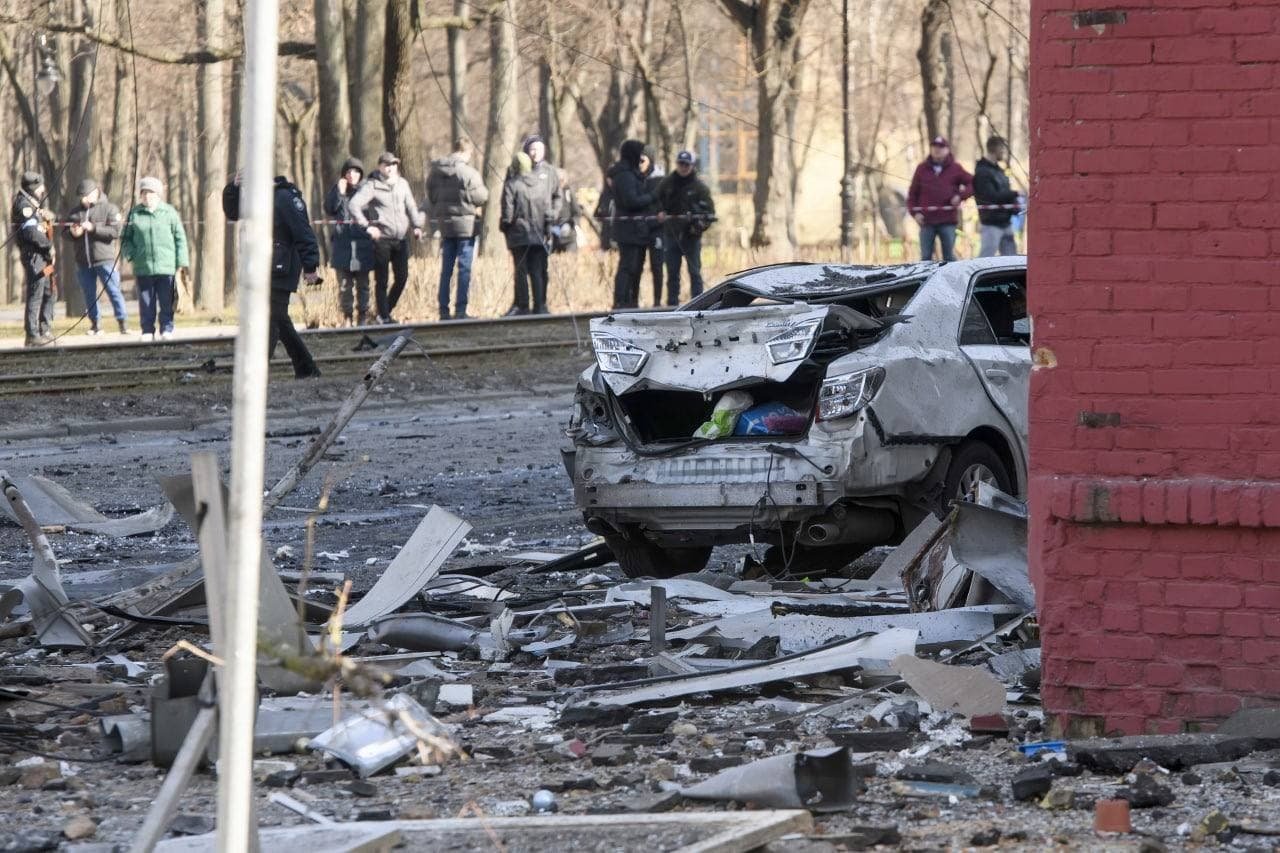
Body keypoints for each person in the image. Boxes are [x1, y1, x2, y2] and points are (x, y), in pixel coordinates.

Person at [223, 174, 322, 379]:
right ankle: (304, 368)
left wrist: (310, 265)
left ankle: (262, 370)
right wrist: (232, 187)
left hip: (282, 266)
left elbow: (303, 231)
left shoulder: (284, 198)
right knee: (274, 319)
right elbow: (233, 212)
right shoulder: (256, 198)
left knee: (275, 316)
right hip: (261, 265)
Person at [349, 151, 424, 324]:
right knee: (381, 280)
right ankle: (384, 316)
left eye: (393, 164)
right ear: (380, 167)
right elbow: (354, 205)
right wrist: (367, 227)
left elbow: (411, 206)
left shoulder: (402, 184)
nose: (390, 168)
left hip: (400, 238)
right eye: (387, 165)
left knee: (402, 277)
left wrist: (417, 225)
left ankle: (385, 311)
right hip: (382, 239)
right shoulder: (372, 185)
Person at [427, 139, 489, 320]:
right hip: (465, 226)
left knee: (446, 268)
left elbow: (431, 195)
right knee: (464, 268)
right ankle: (461, 309)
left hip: (445, 224)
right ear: (466, 152)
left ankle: (443, 310)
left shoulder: (435, 172)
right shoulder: (468, 173)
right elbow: (482, 197)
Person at [122, 176, 188, 341]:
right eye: (144, 193)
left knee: (167, 301)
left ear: (158, 195)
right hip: (143, 267)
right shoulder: (134, 214)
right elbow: (125, 239)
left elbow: (180, 238)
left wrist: (181, 262)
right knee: (146, 303)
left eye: (151, 193)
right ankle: (147, 331)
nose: (147, 197)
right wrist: (131, 255)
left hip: (166, 266)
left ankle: (167, 328)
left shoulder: (169, 212)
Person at [64, 178, 128, 335]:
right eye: (81, 197)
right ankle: (95, 324)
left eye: (86, 196)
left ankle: (122, 322)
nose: (83, 200)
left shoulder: (109, 209)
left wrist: (93, 228)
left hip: (104, 259)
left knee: (113, 290)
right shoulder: (74, 213)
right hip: (83, 261)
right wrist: (73, 233)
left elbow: (114, 232)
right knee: (89, 294)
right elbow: (64, 233)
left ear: (95, 193)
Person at [657, 150, 716, 305]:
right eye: (680, 164)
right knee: (672, 274)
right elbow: (655, 202)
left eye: (686, 164)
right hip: (671, 235)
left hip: (692, 237)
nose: (683, 167)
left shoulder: (700, 188)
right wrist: (659, 213)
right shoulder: (666, 183)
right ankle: (671, 305)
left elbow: (710, 214)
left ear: (691, 165)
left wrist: (699, 226)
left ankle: (699, 304)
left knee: (695, 273)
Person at [603, 140, 656, 309]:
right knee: (627, 267)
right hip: (629, 230)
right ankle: (621, 300)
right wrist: (651, 197)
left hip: (638, 230)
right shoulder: (624, 175)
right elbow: (631, 200)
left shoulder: (631, 173)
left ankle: (632, 300)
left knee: (637, 267)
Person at [500, 152, 553, 316]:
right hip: (538, 234)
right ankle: (540, 306)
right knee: (537, 270)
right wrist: (547, 230)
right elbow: (547, 210)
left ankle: (523, 306)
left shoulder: (511, 185)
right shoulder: (541, 184)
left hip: (519, 235)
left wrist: (504, 227)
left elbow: (507, 215)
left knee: (521, 270)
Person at [324, 157, 375, 326]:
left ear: (360, 174)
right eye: (348, 172)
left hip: (362, 244)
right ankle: (347, 316)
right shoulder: (338, 190)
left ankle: (362, 316)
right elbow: (330, 209)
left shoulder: (366, 191)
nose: (352, 175)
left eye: (355, 172)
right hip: (342, 244)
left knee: (363, 284)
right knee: (344, 285)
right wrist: (339, 192)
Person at [907, 136, 972, 262]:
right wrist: (915, 213)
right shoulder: (921, 168)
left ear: (947, 150)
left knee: (949, 256)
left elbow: (973, 183)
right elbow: (912, 194)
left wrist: (960, 196)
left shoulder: (956, 168)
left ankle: (953, 281)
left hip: (947, 220)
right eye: (934, 147)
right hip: (926, 221)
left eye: (941, 147)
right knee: (925, 257)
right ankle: (925, 281)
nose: (937, 150)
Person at [11, 172, 56, 346]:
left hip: (41, 255)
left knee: (48, 291)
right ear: (33, 187)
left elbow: (39, 226)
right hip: (34, 255)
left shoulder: (33, 204)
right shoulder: (24, 205)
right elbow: (31, 233)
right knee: (36, 293)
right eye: (41, 186)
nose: (43, 190)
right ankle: (32, 334)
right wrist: (48, 246)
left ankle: (44, 329)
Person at [973, 136, 1021, 257]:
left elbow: (1005, 192)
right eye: (1002, 149)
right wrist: (1014, 194)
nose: (1004, 153)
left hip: (1006, 222)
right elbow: (990, 196)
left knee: (1011, 261)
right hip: (991, 224)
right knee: (985, 260)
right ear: (996, 149)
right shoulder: (982, 172)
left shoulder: (999, 171)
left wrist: (1014, 205)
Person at [640, 145, 665, 307]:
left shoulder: (660, 180)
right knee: (636, 267)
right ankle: (634, 301)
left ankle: (657, 301)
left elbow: (666, 204)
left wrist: (659, 217)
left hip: (657, 230)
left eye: (642, 160)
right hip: (639, 229)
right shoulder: (634, 179)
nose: (639, 163)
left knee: (657, 266)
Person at [549, 168, 580, 254]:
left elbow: (577, 213)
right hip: (554, 238)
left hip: (569, 238)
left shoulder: (568, 192)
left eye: (562, 180)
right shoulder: (549, 193)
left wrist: (569, 224)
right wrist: (550, 227)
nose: (560, 183)